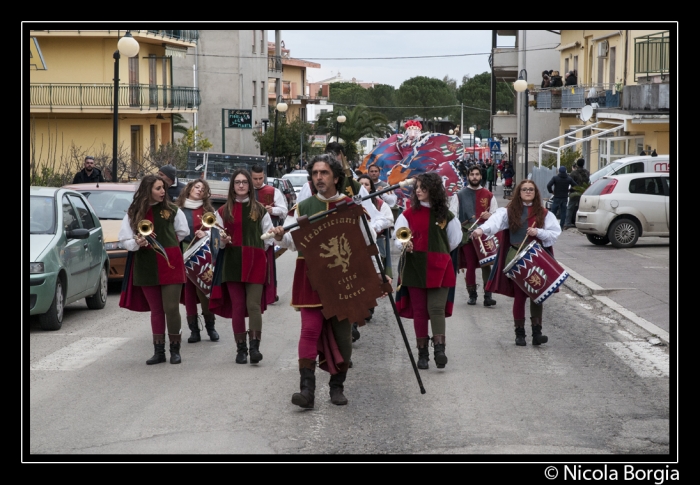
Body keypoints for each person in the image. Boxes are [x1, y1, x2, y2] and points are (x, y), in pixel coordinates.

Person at [270, 154, 390, 408]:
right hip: (311, 276)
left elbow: (366, 242)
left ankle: (337, 386)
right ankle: (307, 390)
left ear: (336, 177)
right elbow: (291, 242)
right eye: (314, 174)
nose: (318, 178)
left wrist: (379, 272)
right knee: (310, 330)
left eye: (323, 173)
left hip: (342, 276)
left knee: (343, 335)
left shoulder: (351, 205)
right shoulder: (303, 208)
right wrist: (281, 235)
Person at [472, 179, 562, 346]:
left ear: (535, 193)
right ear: (519, 192)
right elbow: (494, 222)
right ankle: (520, 334)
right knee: (520, 296)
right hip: (516, 256)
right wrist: (481, 229)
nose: (528, 192)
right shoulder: (509, 211)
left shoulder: (544, 213)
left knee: (537, 295)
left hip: (537, 257)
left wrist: (539, 232)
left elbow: (554, 234)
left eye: (531, 189)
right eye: (524, 189)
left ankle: (537, 333)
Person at [118, 174, 189, 365]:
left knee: (171, 308)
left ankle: (175, 350)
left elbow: (183, 232)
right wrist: (137, 242)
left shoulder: (172, 210)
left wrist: (167, 244)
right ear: (148, 189)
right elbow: (124, 238)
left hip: (170, 263)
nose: (163, 192)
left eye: (163, 188)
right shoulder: (134, 212)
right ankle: (159, 351)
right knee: (156, 310)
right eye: (158, 188)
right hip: (146, 264)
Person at [394, 172, 461, 370]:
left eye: (423, 187)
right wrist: (405, 244)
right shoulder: (407, 214)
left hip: (440, 268)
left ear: (433, 190)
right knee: (420, 311)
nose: (419, 191)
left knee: (436, 308)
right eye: (417, 188)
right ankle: (422, 353)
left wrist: (438, 254)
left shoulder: (446, 216)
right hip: (415, 267)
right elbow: (401, 235)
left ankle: (439, 349)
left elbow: (454, 240)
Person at [209, 169, 274, 365]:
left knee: (253, 305)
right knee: (238, 306)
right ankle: (241, 349)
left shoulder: (260, 209)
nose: (241, 185)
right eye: (237, 182)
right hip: (232, 262)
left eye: (244, 182)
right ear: (232, 185)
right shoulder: (222, 211)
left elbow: (268, 238)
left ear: (249, 185)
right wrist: (222, 240)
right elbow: (215, 242)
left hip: (255, 262)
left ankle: (254, 347)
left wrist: (255, 249)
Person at [175, 179, 220, 343]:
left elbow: (216, 233)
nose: (199, 190)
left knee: (205, 292)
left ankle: (211, 327)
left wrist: (206, 234)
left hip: (203, 254)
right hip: (185, 252)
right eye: (196, 187)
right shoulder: (178, 209)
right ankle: (194, 330)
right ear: (189, 189)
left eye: (203, 188)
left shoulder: (209, 211)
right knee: (188, 294)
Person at [449, 165, 499, 307]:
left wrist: (490, 215)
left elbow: (497, 217)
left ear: (481, 176)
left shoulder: (489, 195)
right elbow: (453, 216)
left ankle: (488, 295)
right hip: (467, 235)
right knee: (470, 265)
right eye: (472, 174)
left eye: (477, 174)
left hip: (485, 235)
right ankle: (472, 294)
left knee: (486, 264)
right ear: (468, 176)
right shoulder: (459, 195)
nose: (475, 177)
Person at [251, 164, 287, 305]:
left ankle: (270, 295)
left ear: (264, 177)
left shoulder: (273, 191)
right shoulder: (246, 191)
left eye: (260, 178)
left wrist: (272, 210)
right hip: (250, 234)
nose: (258, 181)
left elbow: (284, 210)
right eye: (255, 178)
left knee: (268, 266)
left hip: (268, 232)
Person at [565, 158, 589, 228]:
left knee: (570, 208)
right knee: (580, 208)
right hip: (583, 192)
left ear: (577, 164)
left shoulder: (574, 173)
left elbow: (569, 181)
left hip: (574, 192)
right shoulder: (586, 172)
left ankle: (567, 223)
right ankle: (580, 222)